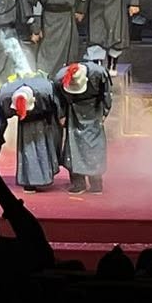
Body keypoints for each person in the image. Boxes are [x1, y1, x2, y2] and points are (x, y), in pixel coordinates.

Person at [57, 47, 114, 194]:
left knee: (94, 145)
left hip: (94, 110)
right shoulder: (60, 77)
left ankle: (96, 183)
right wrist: (61, 114)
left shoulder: (99, 73)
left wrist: (105, 112)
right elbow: (57, 97)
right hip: (73, 111)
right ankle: (78, 183)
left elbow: (106, 93)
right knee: (73, 146)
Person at [0, 74, 64, 192]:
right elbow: (1, 115)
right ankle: (30, 181)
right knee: (28, 151)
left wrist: (60, 117)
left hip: (42, 123)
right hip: (25, 124)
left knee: (41, 148)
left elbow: (57, 106)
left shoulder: (46, 90)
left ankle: (41, 178)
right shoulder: (6, 95)